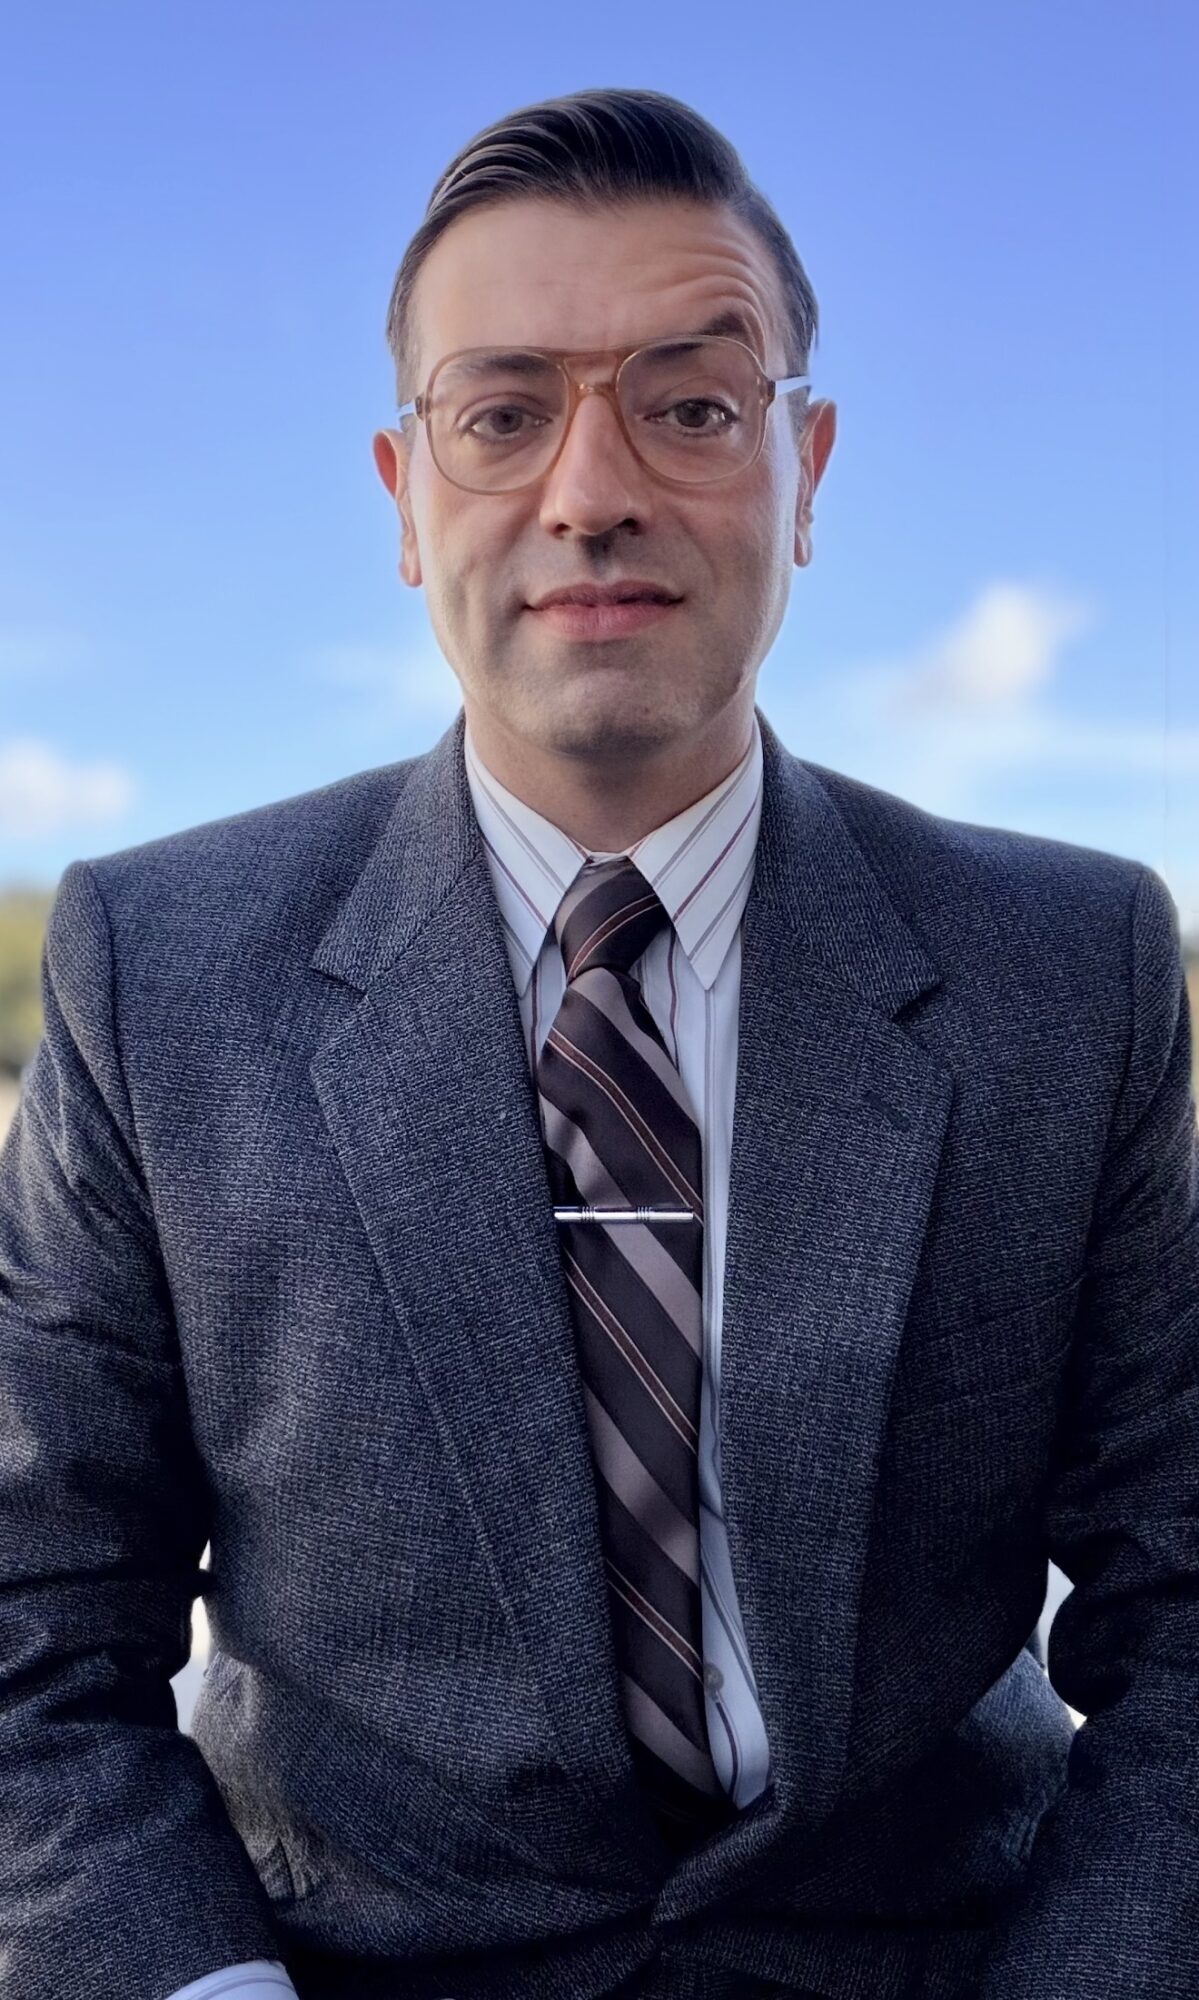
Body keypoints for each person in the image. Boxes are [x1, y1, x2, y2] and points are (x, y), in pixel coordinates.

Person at [0, 85, 1195, 2000]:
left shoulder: (1076, 964)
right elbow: (35, 1615)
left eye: (692, 404)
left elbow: (1186, 1608)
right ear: (404, 500)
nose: (592, 487)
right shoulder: (158, 967)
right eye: (501, 414)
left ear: (807, 466)